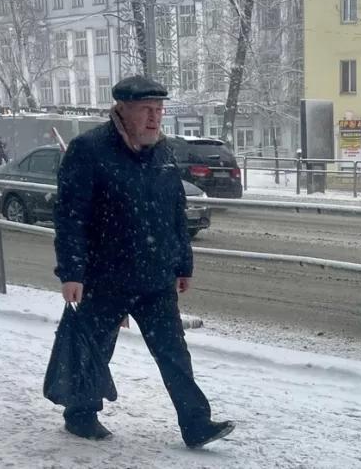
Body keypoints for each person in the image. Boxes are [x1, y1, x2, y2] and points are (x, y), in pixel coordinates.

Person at [52, 75, 234, 448]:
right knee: (96, 348)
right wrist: (72, 273)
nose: (155, 118)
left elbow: (175, 212)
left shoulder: (162, 150)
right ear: (123, 109)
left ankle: (196, 424)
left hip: (154, 277)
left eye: (159, 110)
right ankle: (80, 414)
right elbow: (71, 216)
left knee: (174, 353)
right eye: (147, 111)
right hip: (106, 276)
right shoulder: (89, 149)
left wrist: (183, 264)